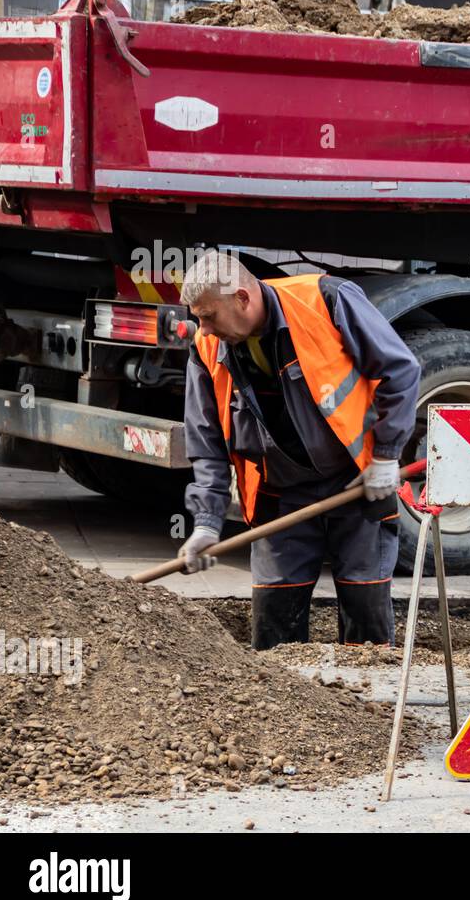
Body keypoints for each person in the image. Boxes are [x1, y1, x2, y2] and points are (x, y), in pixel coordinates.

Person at [177, 250, 421, 650]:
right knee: (275, 620)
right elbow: (206, 440)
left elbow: (400, 370)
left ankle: (368, 708)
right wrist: (206, 521)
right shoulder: (206, 350)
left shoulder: (326, 301)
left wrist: (386, 457)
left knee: (366, 614)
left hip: (357, 485)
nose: (202, 330)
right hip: (281, 494)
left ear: (243, 298)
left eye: (209, 316)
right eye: (197, 317)